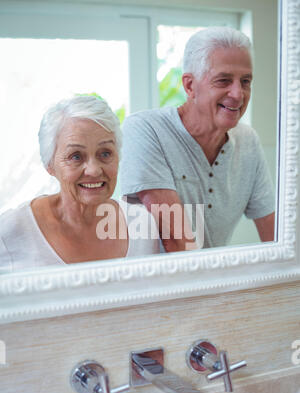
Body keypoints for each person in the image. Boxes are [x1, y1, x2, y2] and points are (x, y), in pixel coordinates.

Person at [120, 26, 275, 252]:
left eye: (245, 81)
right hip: (155, 284)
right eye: (223, 80)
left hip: (208, 280)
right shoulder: (145, 129)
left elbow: (277, 237)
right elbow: (176, 241)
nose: (238, 94)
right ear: (190, 85)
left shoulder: (248, 140)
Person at [0, 95, 160, 273]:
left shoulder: (143, 225)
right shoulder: (11, 230)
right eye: (75, 156)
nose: (93, 170)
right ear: (50, 165)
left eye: (105, 153)